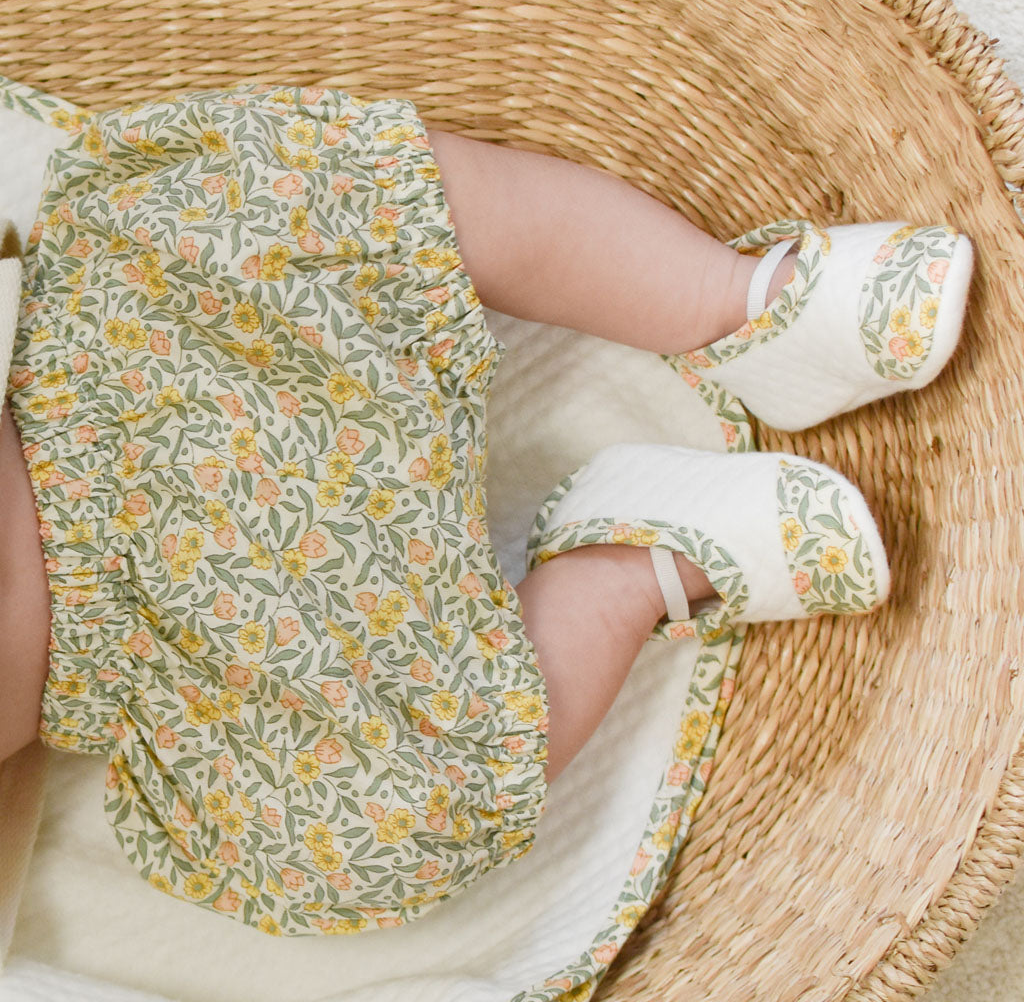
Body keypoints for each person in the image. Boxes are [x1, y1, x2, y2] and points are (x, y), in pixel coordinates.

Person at [0, 79, 973, 936]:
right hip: (194, 651)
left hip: (140, 350)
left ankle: (725, 302)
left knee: (293, 181)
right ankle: (616, 569)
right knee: (351, 841)